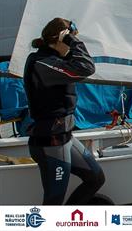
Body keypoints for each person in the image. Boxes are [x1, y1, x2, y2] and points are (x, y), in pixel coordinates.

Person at [23, 18, 105, 204]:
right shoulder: (42, 63)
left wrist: (69, 43)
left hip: (65, 137)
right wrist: (72, 42)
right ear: (60, 39)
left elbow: (77, 65)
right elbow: (86, 68)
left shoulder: (53, 61)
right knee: (54, 200)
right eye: (70, 37)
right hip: (50, 143)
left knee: (96, 178)